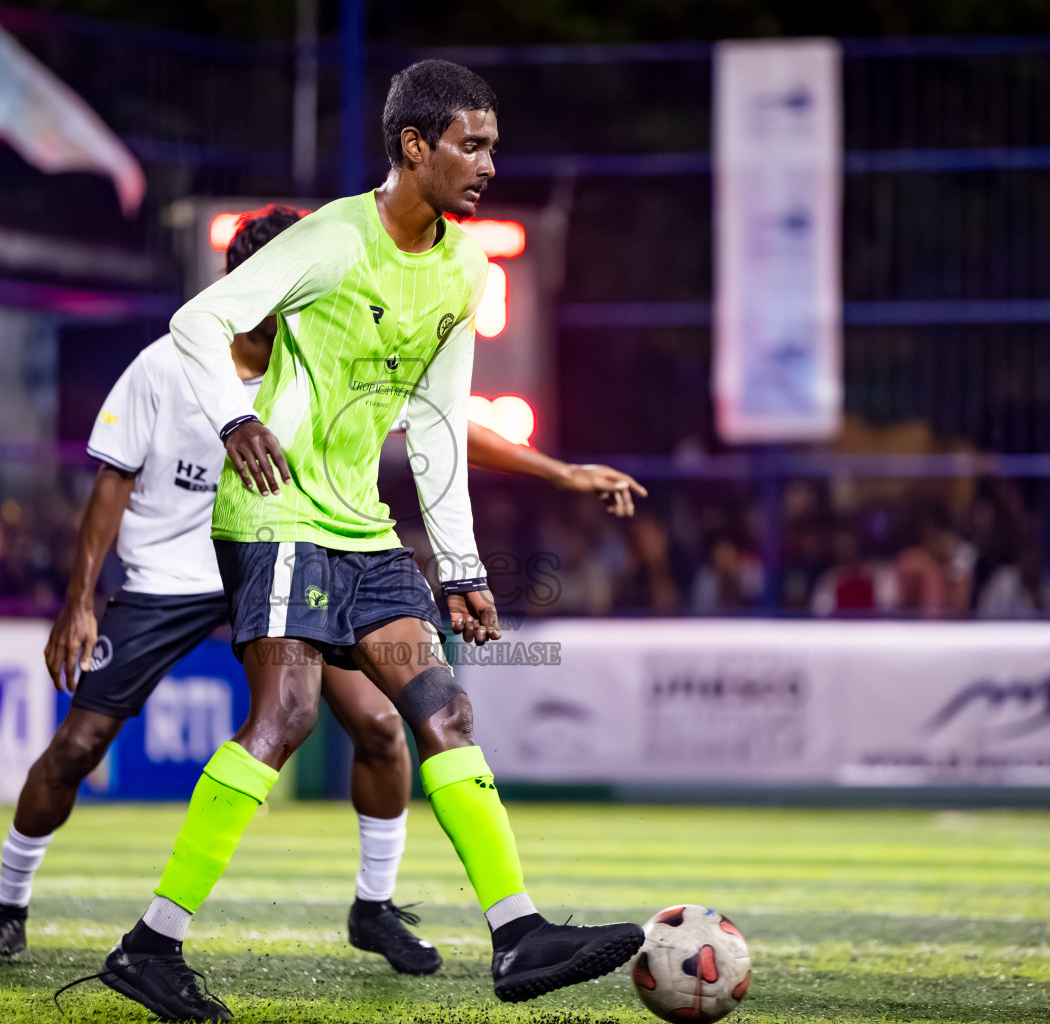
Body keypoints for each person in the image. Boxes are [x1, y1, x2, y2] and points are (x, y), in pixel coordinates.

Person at [62, 61, 646, 1023]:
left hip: (365, 532)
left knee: (441, 711)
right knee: (285, 721)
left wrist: (459, 567)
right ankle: (151, 946)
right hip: (277, 514)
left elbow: (440, 424)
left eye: (493, 144)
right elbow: (196, 320)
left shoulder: (465, 268)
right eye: (471, 143)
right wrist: (231, 423)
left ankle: (516, 932)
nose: (488, 163)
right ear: (414, 147)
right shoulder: (332, 239)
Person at [0, 207, 645, 974]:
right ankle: (10, 907)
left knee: (385, 726)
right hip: (178, 574)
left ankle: (375, 907)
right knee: (82, 744)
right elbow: (113, 477)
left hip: (296, 552)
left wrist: (560, 472)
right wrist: (80, 598)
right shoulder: (168, 364)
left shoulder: (322, 352)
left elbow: (439, 422)